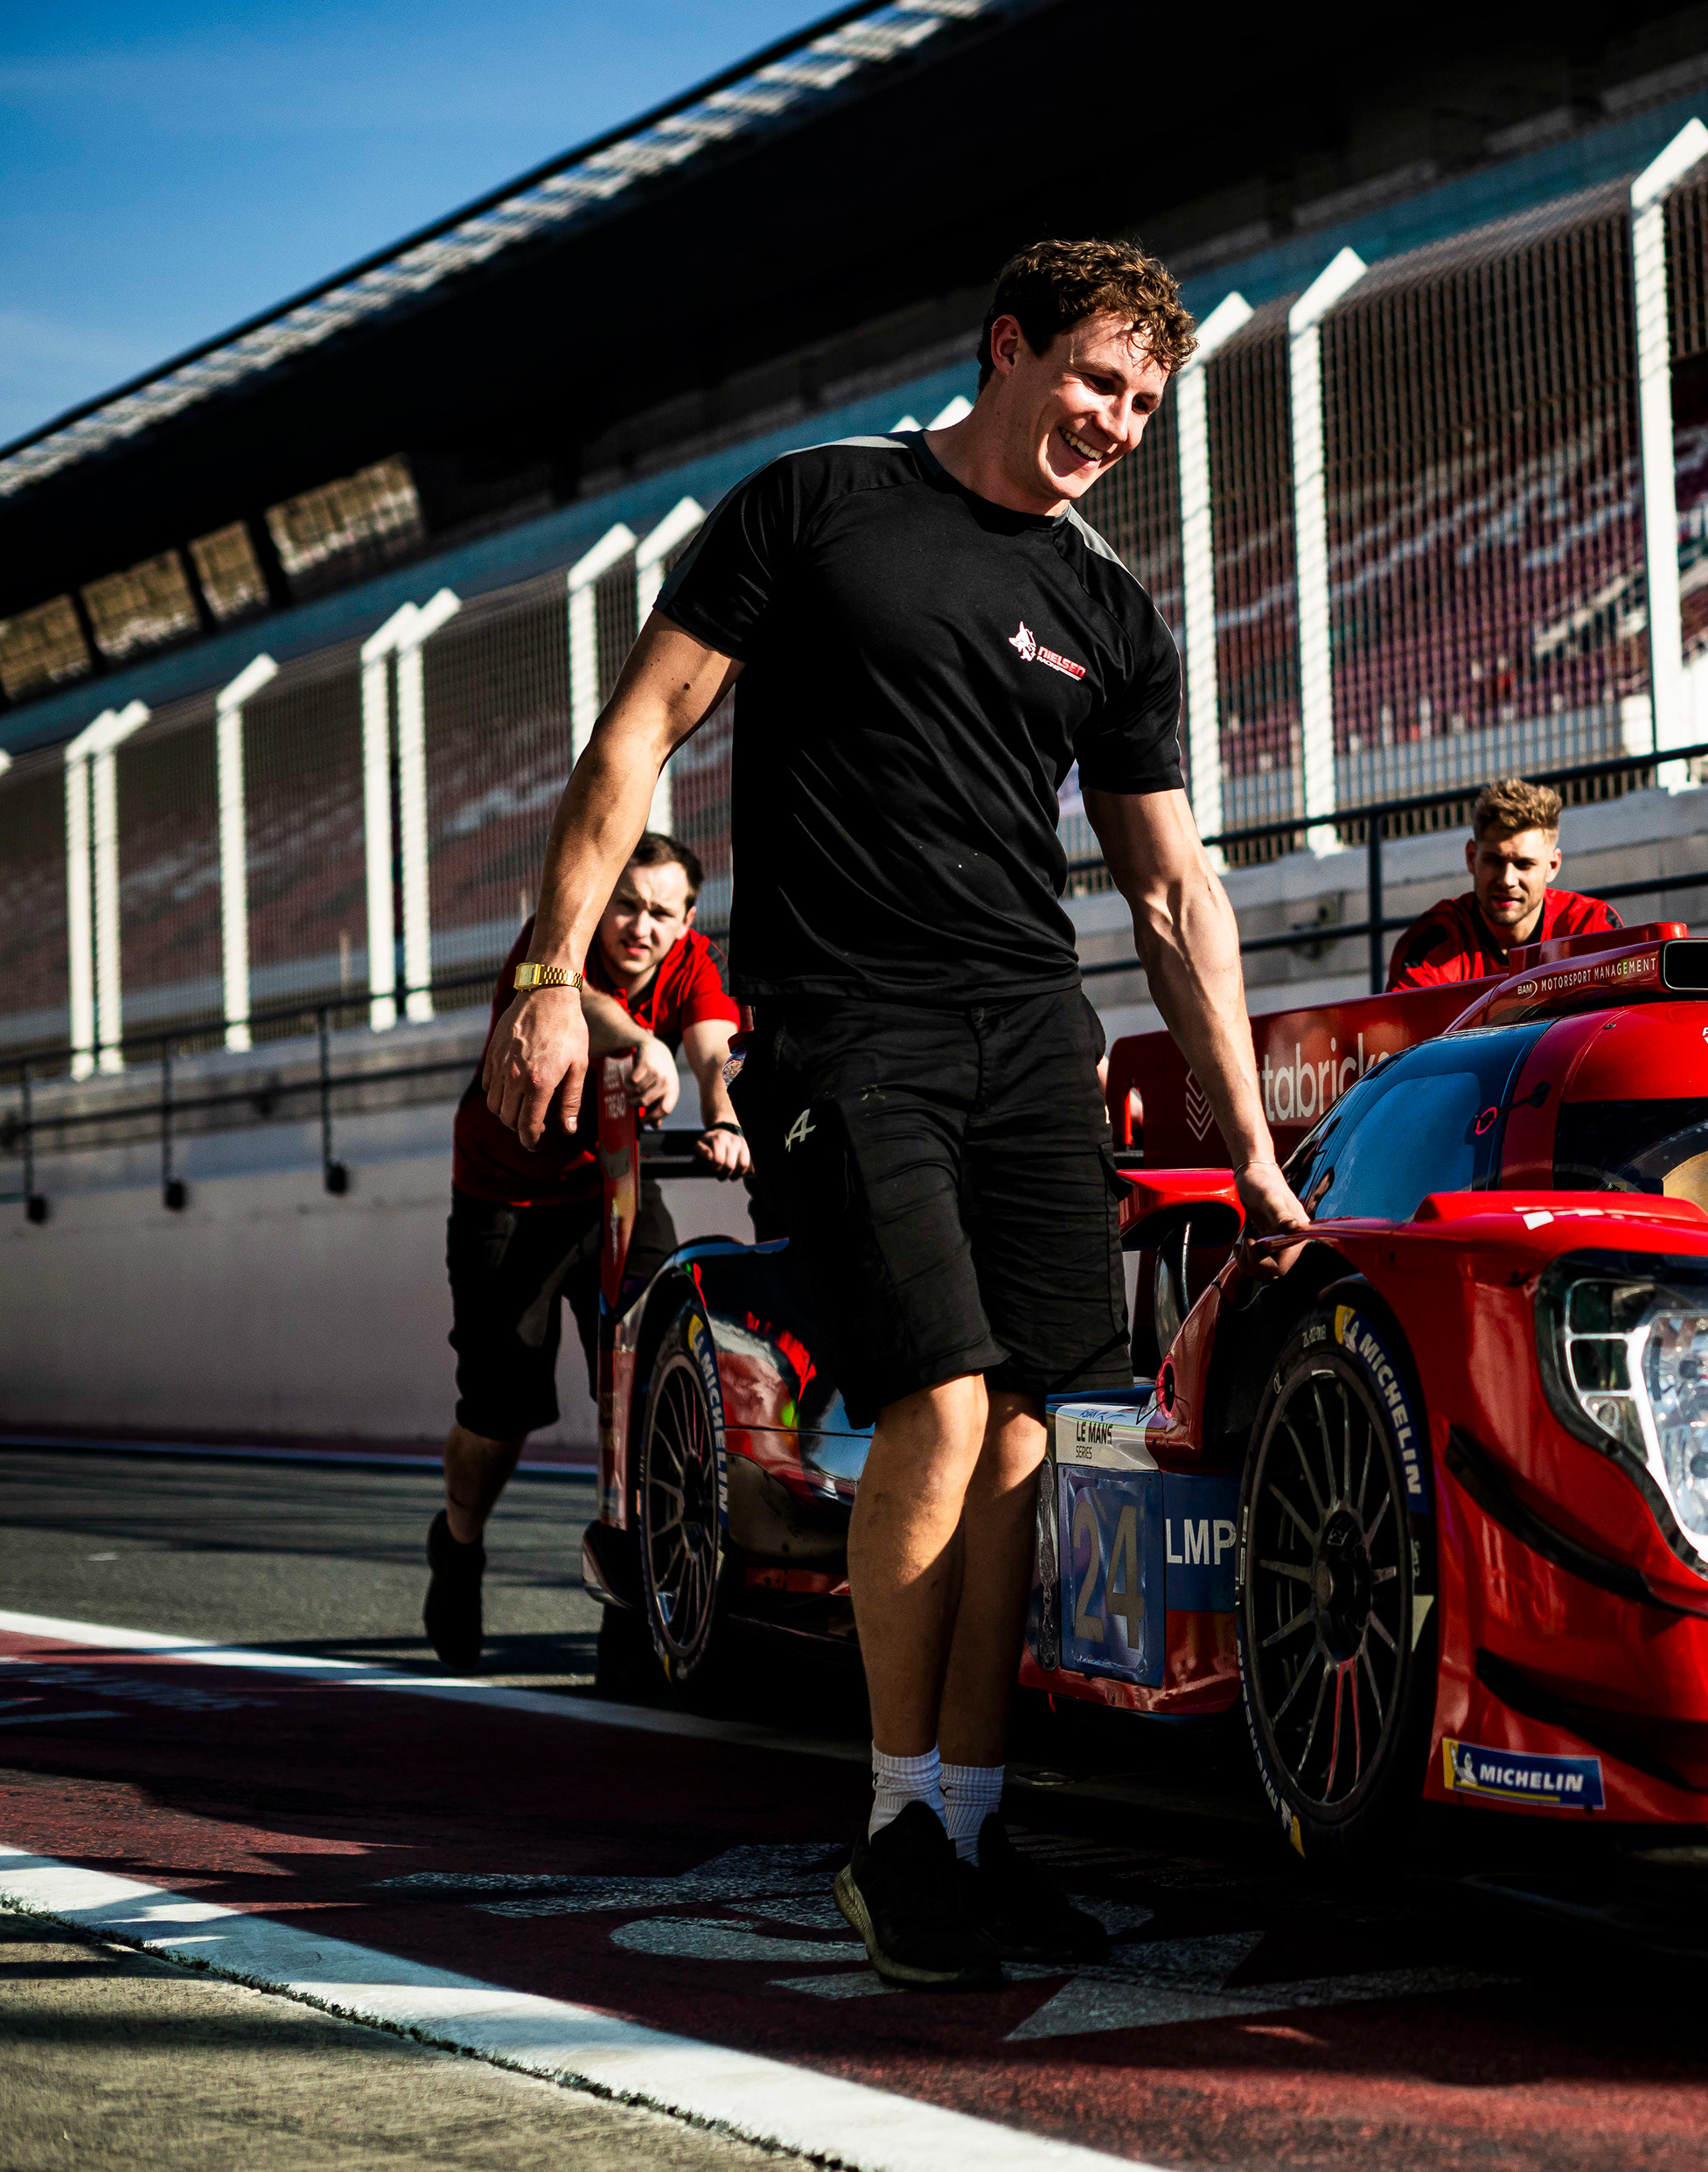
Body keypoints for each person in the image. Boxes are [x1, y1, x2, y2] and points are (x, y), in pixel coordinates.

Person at [479, 238, 1305, 1993]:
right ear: (1006, 349)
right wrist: (550, 969)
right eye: (1094, 379)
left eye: (1146, 402)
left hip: (1028, 1034)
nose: (1118, 422)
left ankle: (978, 1827)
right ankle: (894, 1820)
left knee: (1023, 1426)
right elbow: (638, 733)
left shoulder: (1113, 614)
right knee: (933, 1395)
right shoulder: (816, 505)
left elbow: (1173, 896)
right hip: (845, 1025)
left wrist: (1246, 1137)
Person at [427, 833, 749, 1674]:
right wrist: (642, 1043)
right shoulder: (553, 944)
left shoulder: (693, 963)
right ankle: (458, 1545)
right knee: (499, 1409)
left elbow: (715, 1046)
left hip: (615, 1189)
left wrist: (725, 1117)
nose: (640, 927)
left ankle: (633, 1593)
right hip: (506, 1196)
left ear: (686, 922)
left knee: (648, 1395)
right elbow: (583, 1010)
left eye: (661, 913)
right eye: (626, 905)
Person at [1383, 776, 1624, 989]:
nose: (1507, 880)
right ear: (1471, 857)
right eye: (1493, 860)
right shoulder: (1430, 945)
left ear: (1552, 866)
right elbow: (1406, 1038)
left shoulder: (1591, 927)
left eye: (1524, 864)